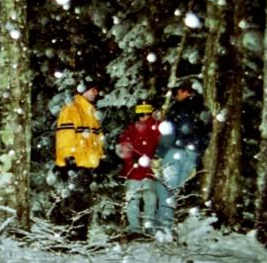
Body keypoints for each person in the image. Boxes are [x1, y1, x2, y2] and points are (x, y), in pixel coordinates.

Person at [154, 79, 211, 240]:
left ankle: (163, 229)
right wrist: (196, 158)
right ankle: (165, 228)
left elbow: (168, 133)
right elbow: (205, 137)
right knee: (173, 191)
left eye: (179, 91)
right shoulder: (203, 110)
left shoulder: (178, 108)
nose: (176, 94)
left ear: (187, 92)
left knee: (164, 189)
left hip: (175, 152)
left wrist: (160, 154)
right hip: (191, 156)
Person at [53, 81, 105, 242]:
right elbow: (65, 137)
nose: (96, 93)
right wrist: (69, 159)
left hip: (88, 165)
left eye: (97, 90)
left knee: (83, 202)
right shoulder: (72, 110)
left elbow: (96, 139)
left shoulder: (91, 111)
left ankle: (79, 236)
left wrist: (100, 158)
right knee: (74, 201)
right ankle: (70, 236)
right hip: (75, 164)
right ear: (84, 90)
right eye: (93, 89)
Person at [116, 103, 161, 239]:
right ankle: (134, 229)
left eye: (146, 114)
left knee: (150, 198)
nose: (144, 118)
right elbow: (123, 149)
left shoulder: (156, 128)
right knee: (133, 199)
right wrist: (131, 159)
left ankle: (148, 227)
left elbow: (161, 146)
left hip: (149, 170)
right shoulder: (130, 130)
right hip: (133, 171)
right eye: (141, 115)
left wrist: (154, 159)